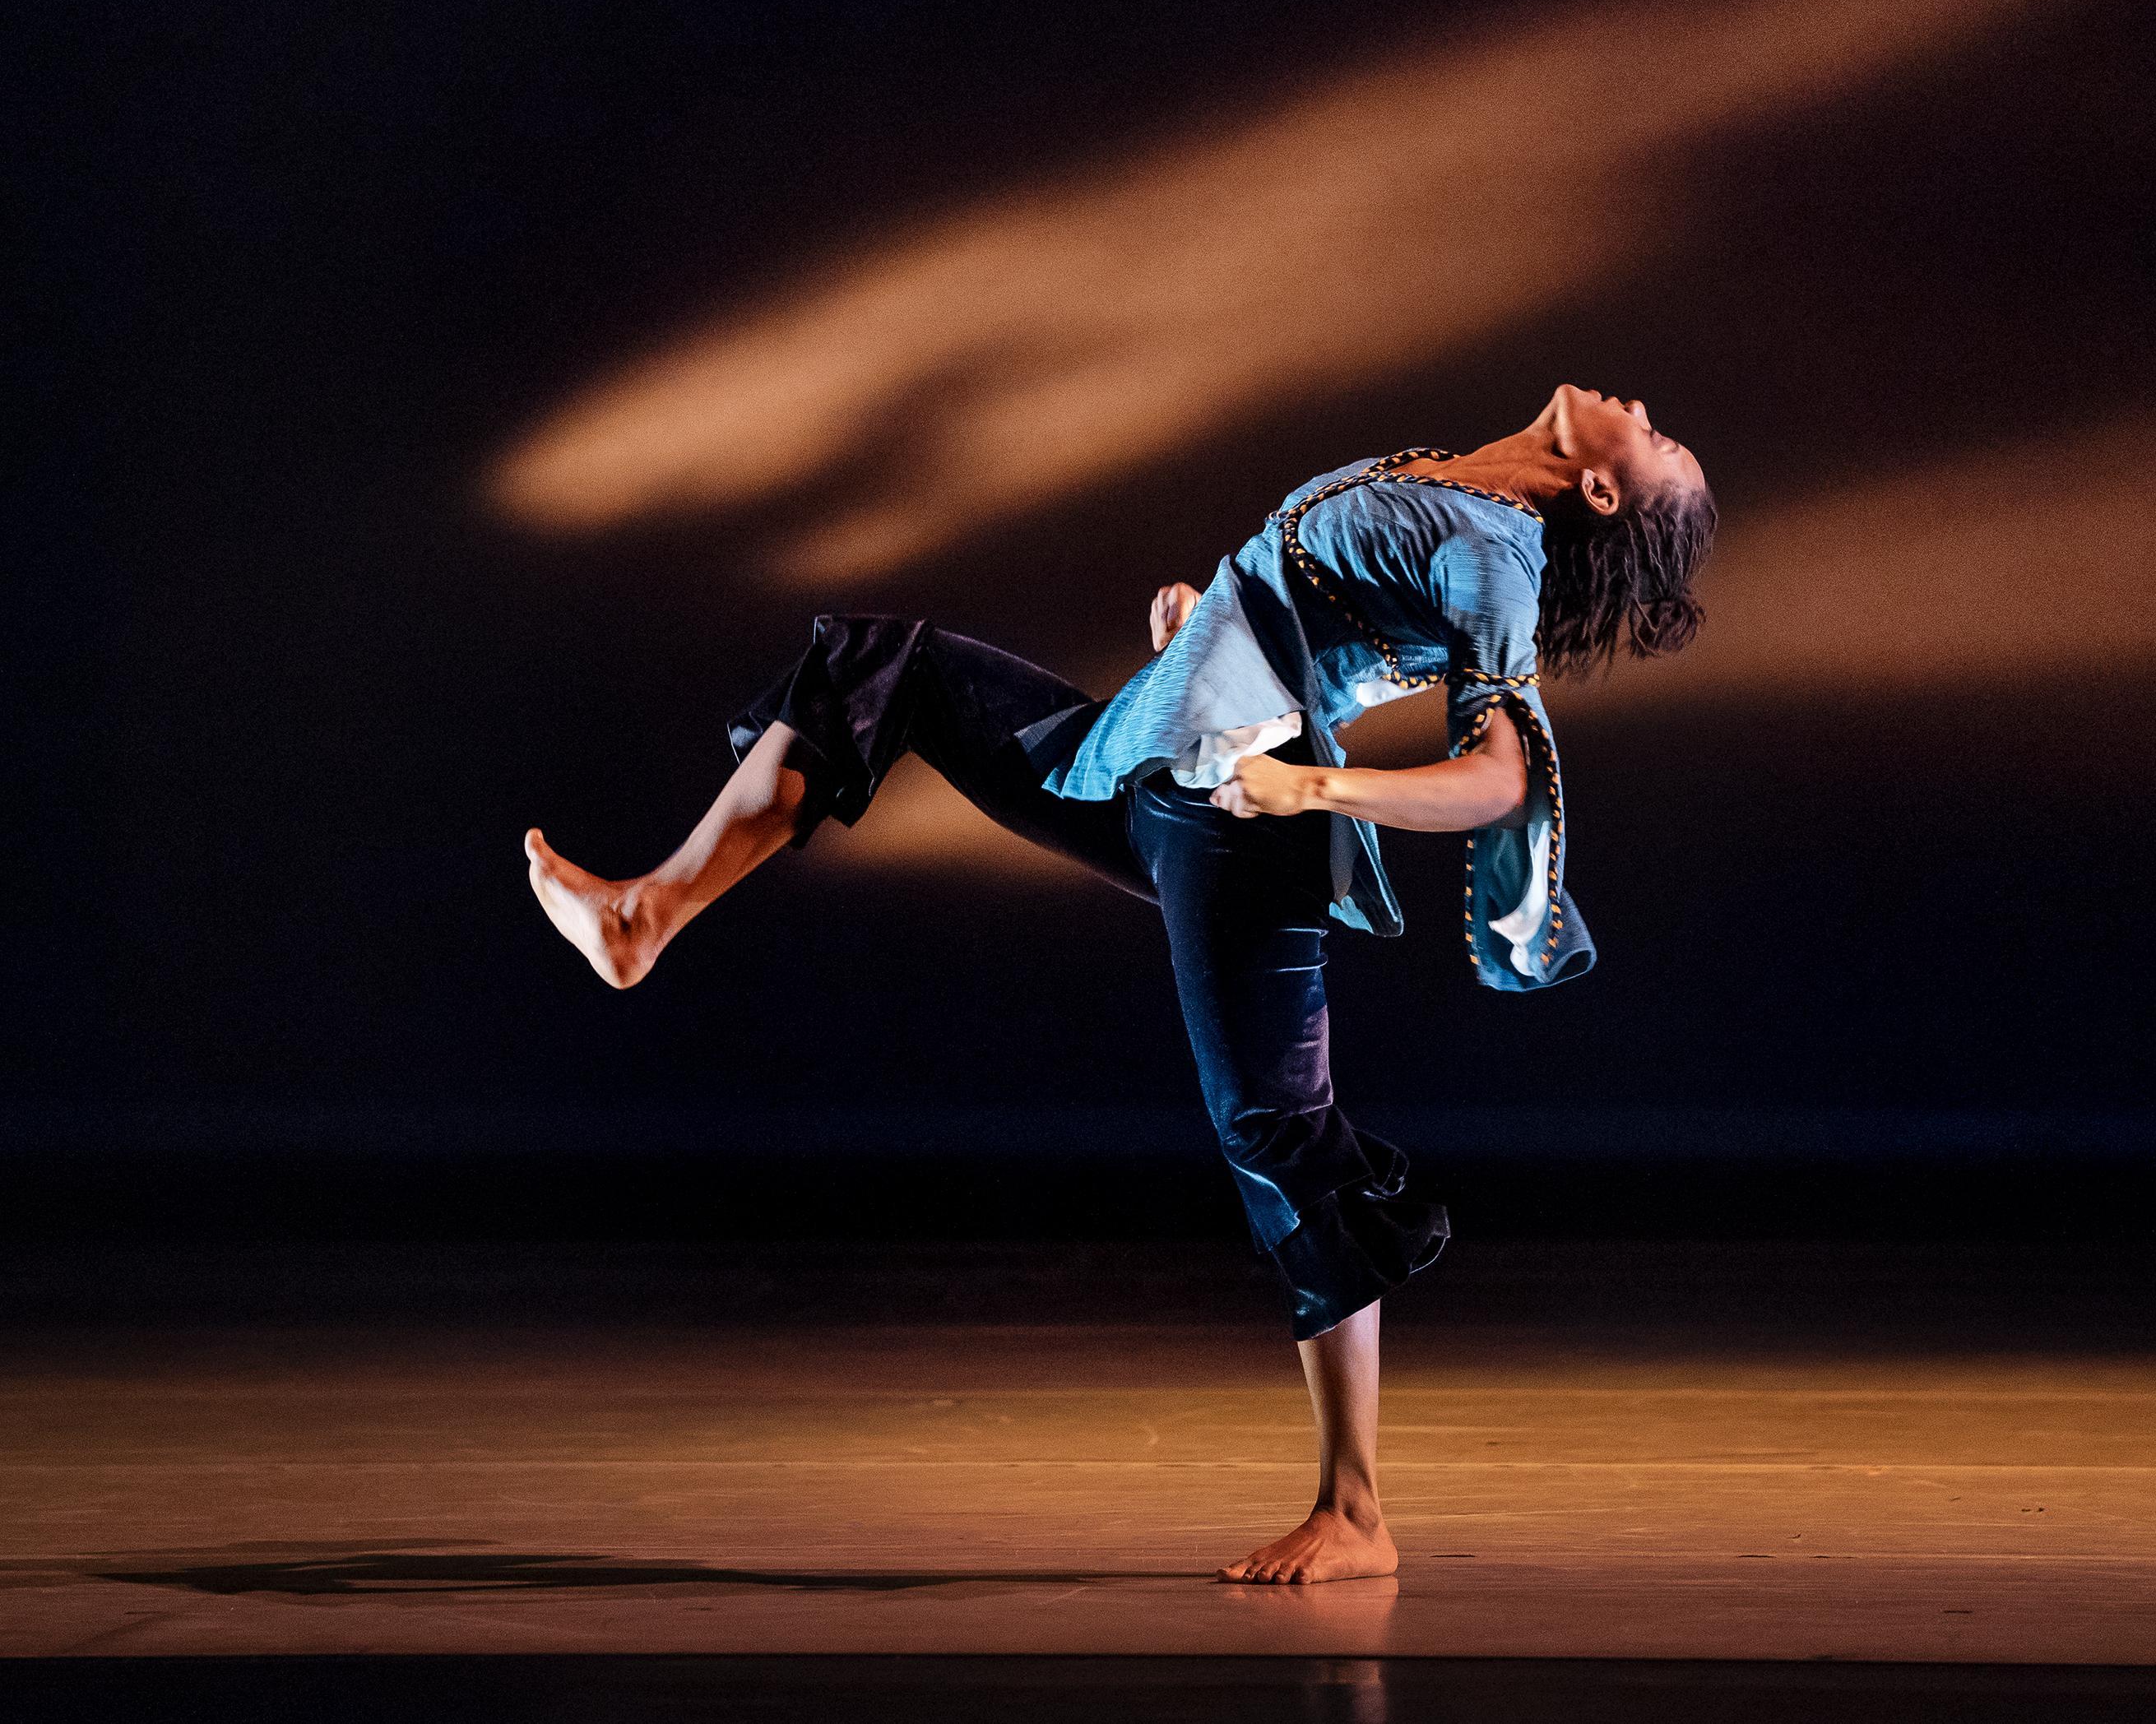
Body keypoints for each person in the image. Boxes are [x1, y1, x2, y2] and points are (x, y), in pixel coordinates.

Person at [525, 382, 1716, 1583]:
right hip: (1141, 758)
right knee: (886, 669)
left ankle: (1353, 1512)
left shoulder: (1494, 553)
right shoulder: (1446, 471)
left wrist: (1316, 791)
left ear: (1603, 487)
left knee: (1278, 1133)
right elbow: (1319, 624)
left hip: (1240, 831)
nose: (1643, 406)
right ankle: (646, 912)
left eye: (1657, 439)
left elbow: (1498, 774)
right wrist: (1212, 628)